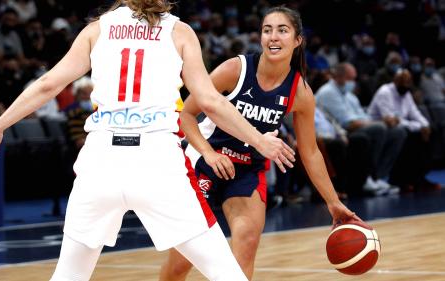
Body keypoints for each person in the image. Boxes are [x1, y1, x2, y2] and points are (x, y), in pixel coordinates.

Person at [0, 1, 301, 280]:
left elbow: (50, 84)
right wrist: (258, 139)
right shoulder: (179, 31)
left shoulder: (97, 29)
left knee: (69, 275)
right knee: (226, 274)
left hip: (100, 162)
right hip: (157, 163)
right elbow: (210, 101)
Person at [159, 6, 359, 280]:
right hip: (203, 163)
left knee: (247, 242)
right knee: (183, 260)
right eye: (267, 30)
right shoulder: (235, 69)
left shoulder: (300, 92)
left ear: (298, 40)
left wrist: (333, 202)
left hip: (246, 171)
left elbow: (310, 152)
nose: (273, 37)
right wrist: (208, 153)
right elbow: (187, 115)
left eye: (282, 30)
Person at [316, 62, 406, 195]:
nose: (353, 82)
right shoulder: (328, 92)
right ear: (339, 77)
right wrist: (380, 122)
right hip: (342, 132)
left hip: (357, 127)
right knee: (379, 129)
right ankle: (369, 177)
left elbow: (364, 117)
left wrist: (384, 121)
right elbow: (348, 123)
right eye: (350, 79)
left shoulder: (349, 95)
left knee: (398, 132)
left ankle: (379, 176)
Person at [368, 69, 440, 191]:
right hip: (382, 128)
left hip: (401, 127)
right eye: (403, 82)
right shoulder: (385, 92)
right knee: (409, 135)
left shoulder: (406, 93)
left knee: (432, 132)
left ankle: (419, 177)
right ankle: (401, 179)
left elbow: (414, 113)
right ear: (395, 81)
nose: (406, 85)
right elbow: (393, 120)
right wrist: (418, 127)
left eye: (408, 82)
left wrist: (425, 125)